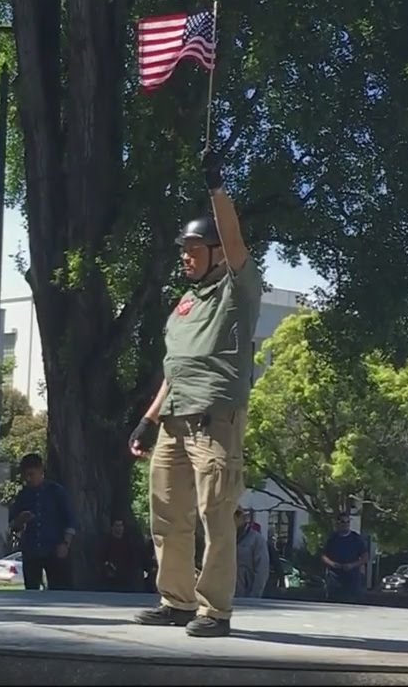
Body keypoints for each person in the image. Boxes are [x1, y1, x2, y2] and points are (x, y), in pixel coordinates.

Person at [128, 149, 264, 638]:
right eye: (182, 248)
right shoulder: (185, 302)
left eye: (193, 247)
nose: (185, 255)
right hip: (173, 419)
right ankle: (177, 601)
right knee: (167, 514)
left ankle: (215, 611)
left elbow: (235, 240)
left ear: (216, 253)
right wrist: (148, 419)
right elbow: (176, 367)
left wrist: (216, 187)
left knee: (216, 514)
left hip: (214, 419)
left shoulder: (237, 289)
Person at [9, 454, 77, 590]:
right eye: (25, 475)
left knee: (59, 588)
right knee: (31, 588)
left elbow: (69, 519)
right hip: (31, 550)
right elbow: (13, 525)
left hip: (54, 548)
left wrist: (66, 543)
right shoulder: (23, 495)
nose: (28, 479)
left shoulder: (56, 492)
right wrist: (20, 519)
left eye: (31, 474)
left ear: (41, 471)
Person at [321, 514, 369, 602]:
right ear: (337, 523)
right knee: (333, 601)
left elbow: (365, 557)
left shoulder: (357, 539)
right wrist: (333, 564)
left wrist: (352, 565)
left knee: (354, 601)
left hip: (353, 577)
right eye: (343, 522)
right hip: (335, 577)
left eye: (348, 522)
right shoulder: (332, 539)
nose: (346, 524)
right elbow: (324, 556)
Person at [234, 507, 269, 599]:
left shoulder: (256, 539)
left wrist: (254, 595)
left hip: (246, 595)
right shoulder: (223, 538)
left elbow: (262, 569)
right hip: (225, 595)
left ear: (240, 517)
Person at [99, 519, 142, 592]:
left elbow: (134, 558)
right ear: (112, 527)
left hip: (127, 576)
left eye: (121, 525)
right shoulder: (106, 542)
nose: (119, 528)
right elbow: (102, 557)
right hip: (111, 576)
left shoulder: (129, 541)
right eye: (117, 525)